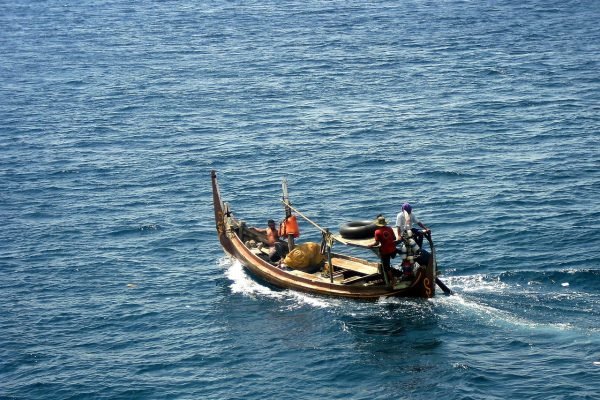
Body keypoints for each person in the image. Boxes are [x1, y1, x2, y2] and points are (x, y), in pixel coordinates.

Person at [368, 215, 398, 285]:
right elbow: (394, 238)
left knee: (386, 268)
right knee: (388, 263)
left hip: (385, 252)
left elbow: (377, 243)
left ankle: (392, 280)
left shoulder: (377, 232)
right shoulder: (390, 228)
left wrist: (370, 245)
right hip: (393, 250)